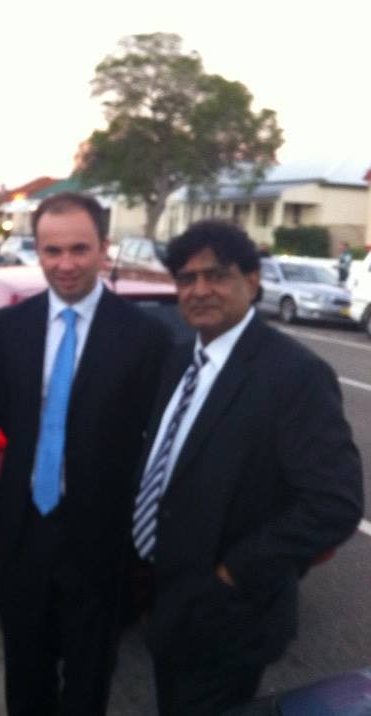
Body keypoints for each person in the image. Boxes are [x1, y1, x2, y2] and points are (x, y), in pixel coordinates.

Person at [134, 219, 363, 716]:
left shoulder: (295, 375)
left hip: (229, 616)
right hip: (167, 597)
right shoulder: (178, 361)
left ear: (252, 280)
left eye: (216, 275)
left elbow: (334, 504)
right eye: (186, 279)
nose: (199, 290)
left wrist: (233, 573)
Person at [0, 192, 170, 715]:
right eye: (52, 250)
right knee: (25, 672)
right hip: (24, 528)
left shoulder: (145, 336)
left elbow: (154, 441)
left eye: (78, 249)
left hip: (100, 535)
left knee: (89, 678)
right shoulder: (10, 328)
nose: (65, 263)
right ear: (38, 251)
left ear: (103, 248)